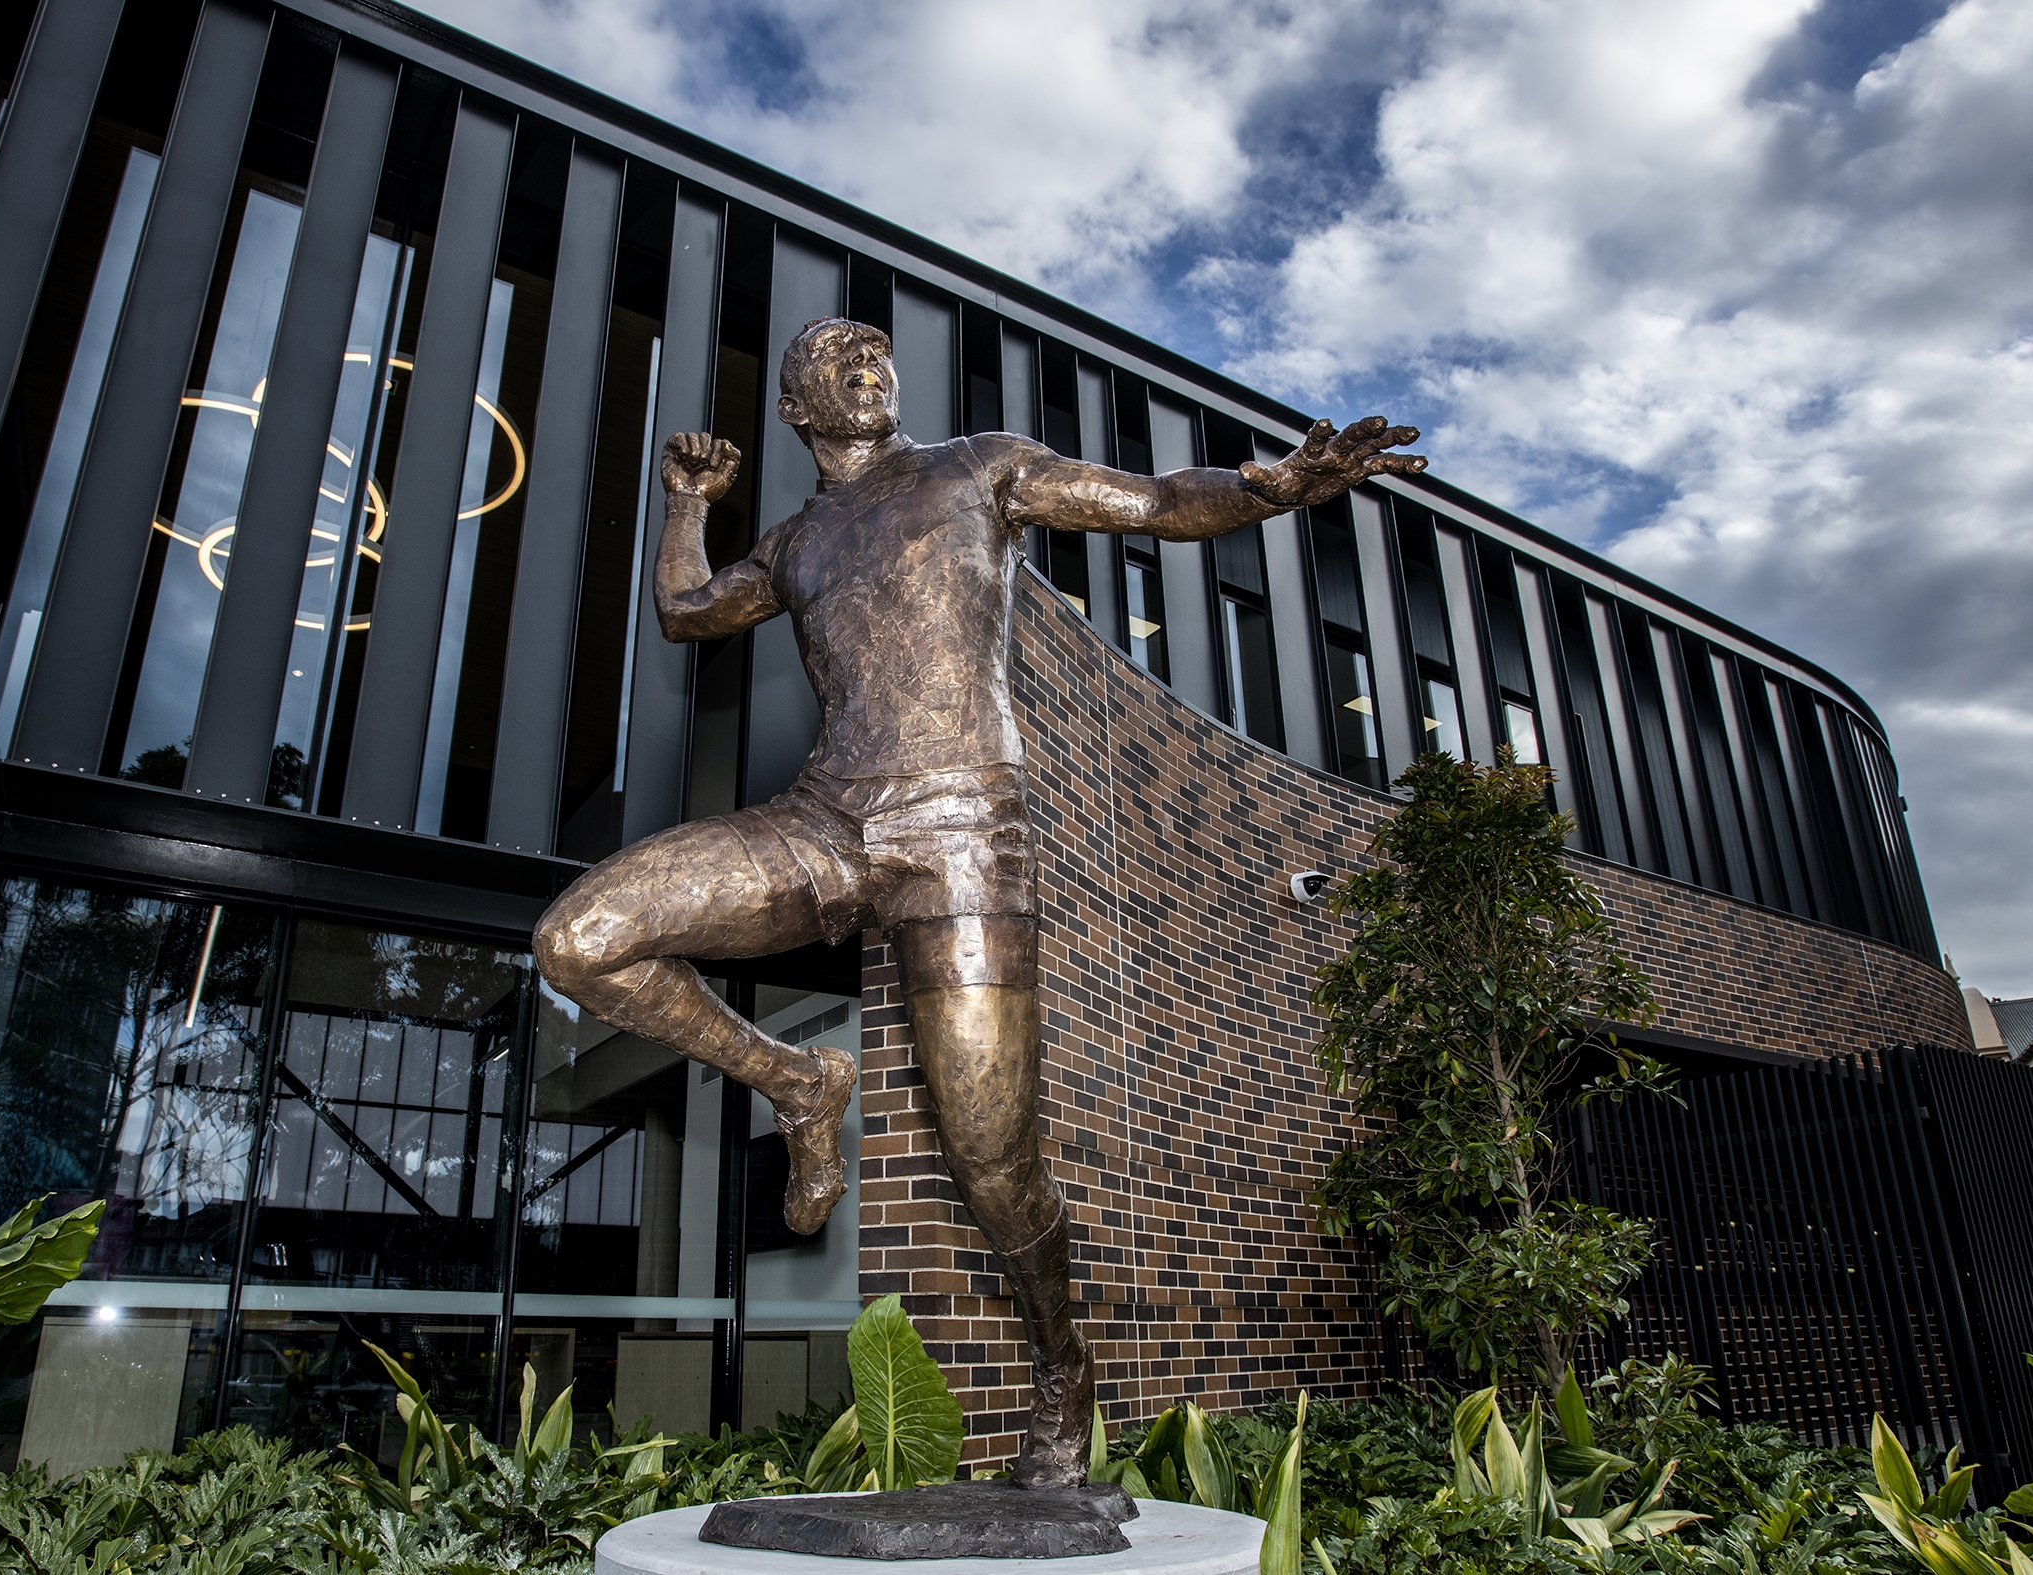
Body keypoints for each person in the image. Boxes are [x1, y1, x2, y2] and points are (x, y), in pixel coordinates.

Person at [534, 317, 1423, 1486]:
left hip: (960, 831)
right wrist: (687, 502)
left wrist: (1272, 484)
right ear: (797, 407)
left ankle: (1063, 1371)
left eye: (876, 357)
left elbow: (1154, 501)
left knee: (990, 1158)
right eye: (834, 363)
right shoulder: (798, 539)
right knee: (580, 938)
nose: (867, 370)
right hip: (826, 820)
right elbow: (686, 613)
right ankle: (801, 1080)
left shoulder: (977, 467)